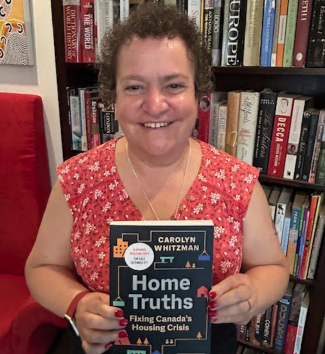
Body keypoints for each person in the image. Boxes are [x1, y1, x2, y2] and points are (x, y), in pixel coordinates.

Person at [25, 3, 289, 354]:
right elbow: (41, 267)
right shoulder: (78, 179)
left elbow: (273, 267)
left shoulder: (235, 181)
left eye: (174, 85)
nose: (155, 104)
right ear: (112, 98)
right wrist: (76, 304)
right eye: (134, 87)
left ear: (198, 94)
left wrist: (253, 292)